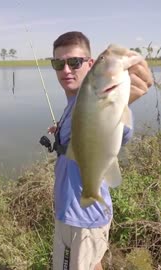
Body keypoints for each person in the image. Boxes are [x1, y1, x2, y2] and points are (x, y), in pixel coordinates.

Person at [47, 31, 153, 270]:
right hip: (72, 210)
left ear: (90, 64)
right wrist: (62, 130)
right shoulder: (73, 103)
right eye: (58, 63)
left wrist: (122, 103)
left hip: (83, 217)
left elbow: (120, 130)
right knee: (92, 263)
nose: (66, 70)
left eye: (74, 62)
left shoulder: (102, 99)